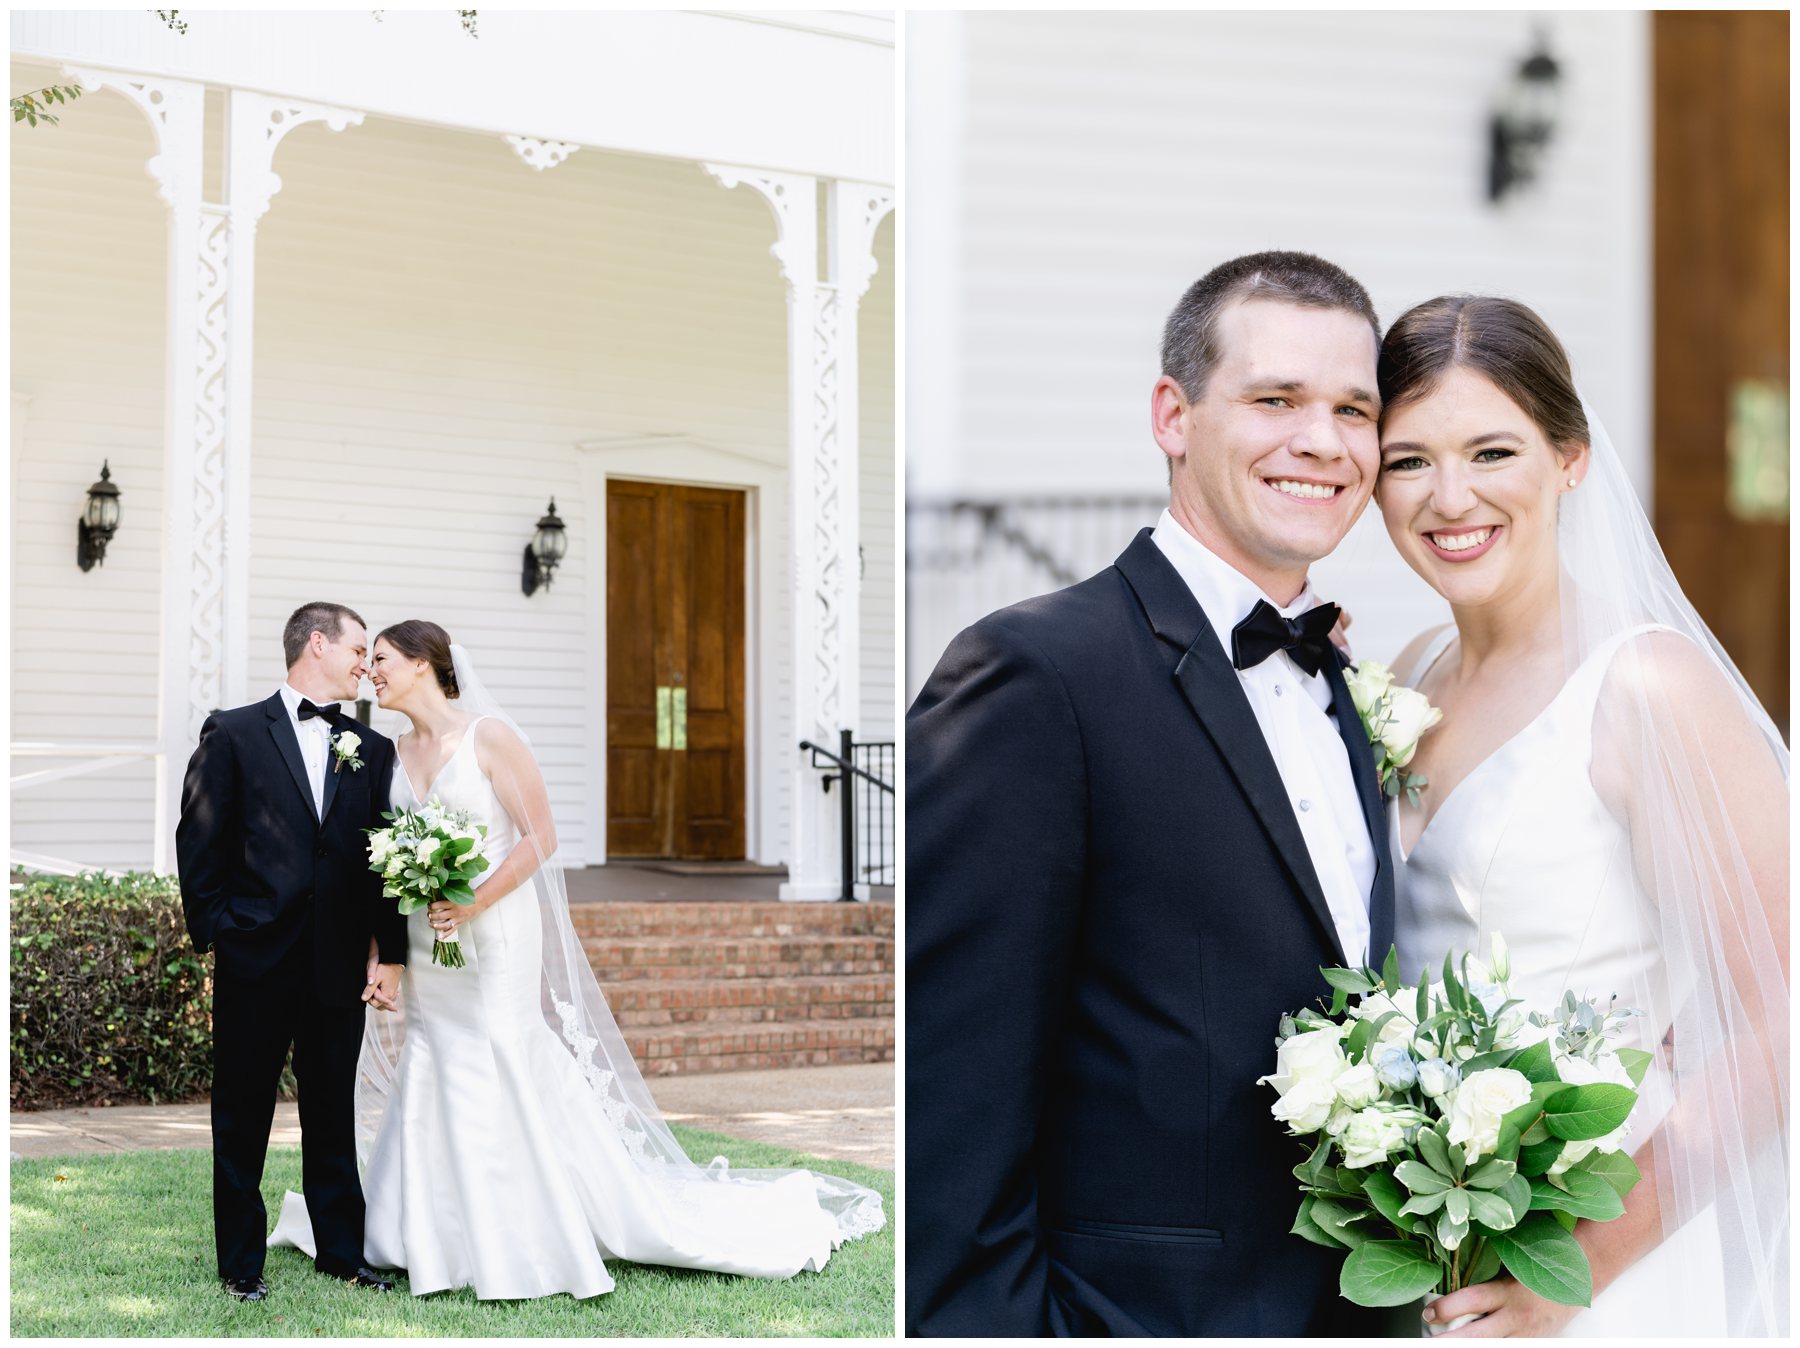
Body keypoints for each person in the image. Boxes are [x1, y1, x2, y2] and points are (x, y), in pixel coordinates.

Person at [906, 251, 1414, 1336]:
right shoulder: (1035, 674)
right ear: (1173, 416)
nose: (1321, 441)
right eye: (1274, 398)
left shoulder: (1355, 689)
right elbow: (952, 1113)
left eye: (1352, 410)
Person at [1373, 296, 1789, 1337]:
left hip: (1596, 1272)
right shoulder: (1407, 672)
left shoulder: (1646, 689)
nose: (1449, 496)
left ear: (1571, 459)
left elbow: (1782, 1017)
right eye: (1409, 459)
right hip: (1429, 1251)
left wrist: (1575, 1272)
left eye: (1491, 450)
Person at [267, 619, 884, 1299]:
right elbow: (378, 869)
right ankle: (425, 1231)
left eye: (381, 659)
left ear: (423, 664)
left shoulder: (489, 739)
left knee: (500, 1048)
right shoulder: (388, 752)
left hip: (494, 930)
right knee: (434, 1055)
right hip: (425, 936)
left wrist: (473, 900)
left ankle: (525, 1230)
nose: (371, 673)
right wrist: (386, 954)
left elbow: (540, 837)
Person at [176, 601, 406, 1301]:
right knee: (242, 1114)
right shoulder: (236, 732)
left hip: (336, 962)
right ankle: (241, 1265)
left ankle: (343, 1252)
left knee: (332, 1111)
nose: (366, 664)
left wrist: (389, 953)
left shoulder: (373, 748)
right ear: (317, 645)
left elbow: (384, 859)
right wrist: (222, 929)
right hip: (258, 958)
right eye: (358, 649)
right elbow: (199, 840)